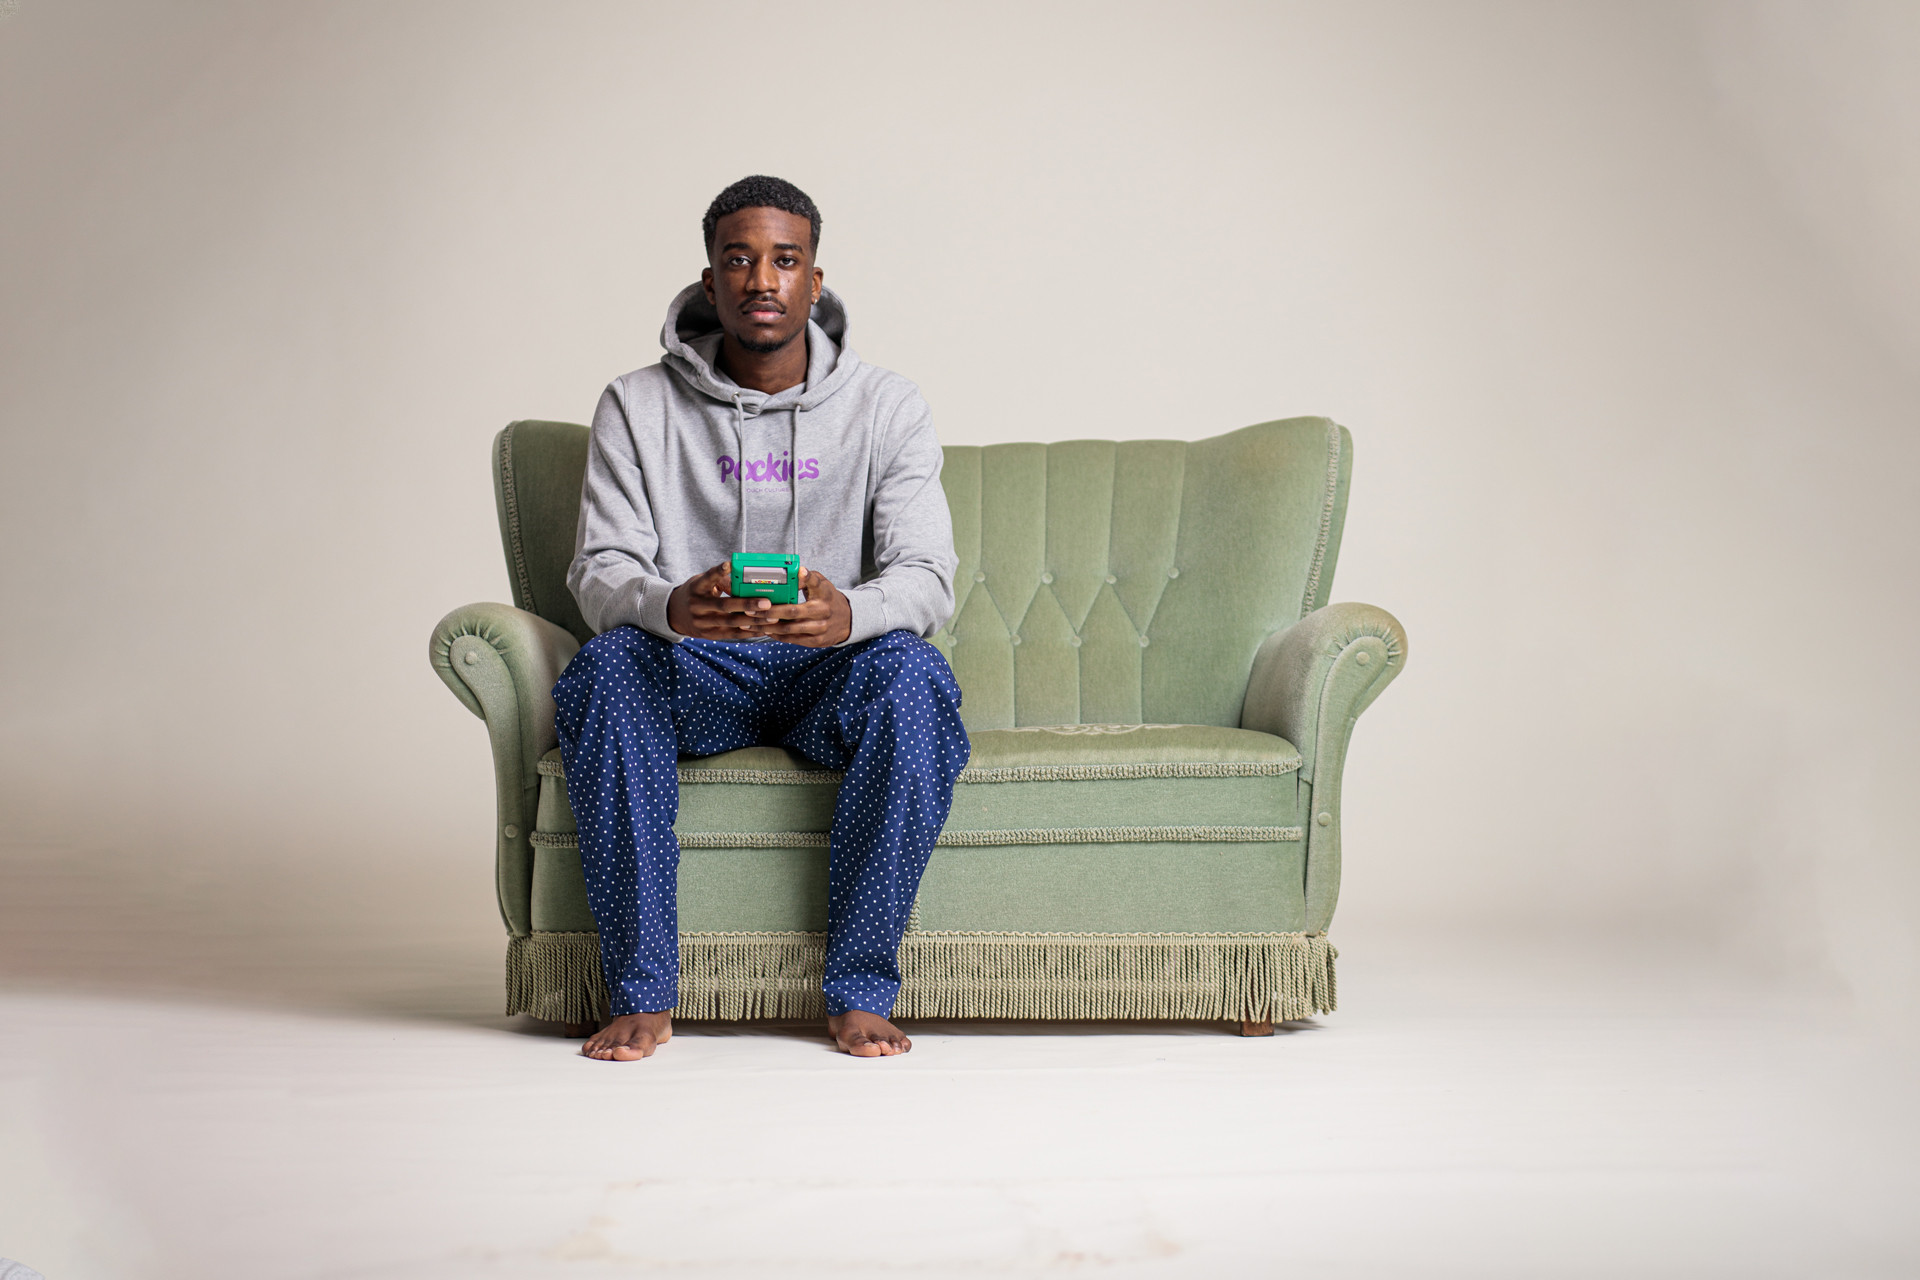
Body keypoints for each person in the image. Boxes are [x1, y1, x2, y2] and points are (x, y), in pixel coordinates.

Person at [553, 175, 969, 1060]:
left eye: (785, 260)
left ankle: (859, 989)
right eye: (739, 260)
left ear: (816, 281)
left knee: (916, 678)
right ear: (710, 282)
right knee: (605, 669)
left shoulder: (888, 405)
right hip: (698, 666)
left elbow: (928, 576)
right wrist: (671, 604)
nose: (762, 280)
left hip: (829, 672)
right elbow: (599, 568)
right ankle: (642, 993)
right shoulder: (635, 404)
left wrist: (847, 613)